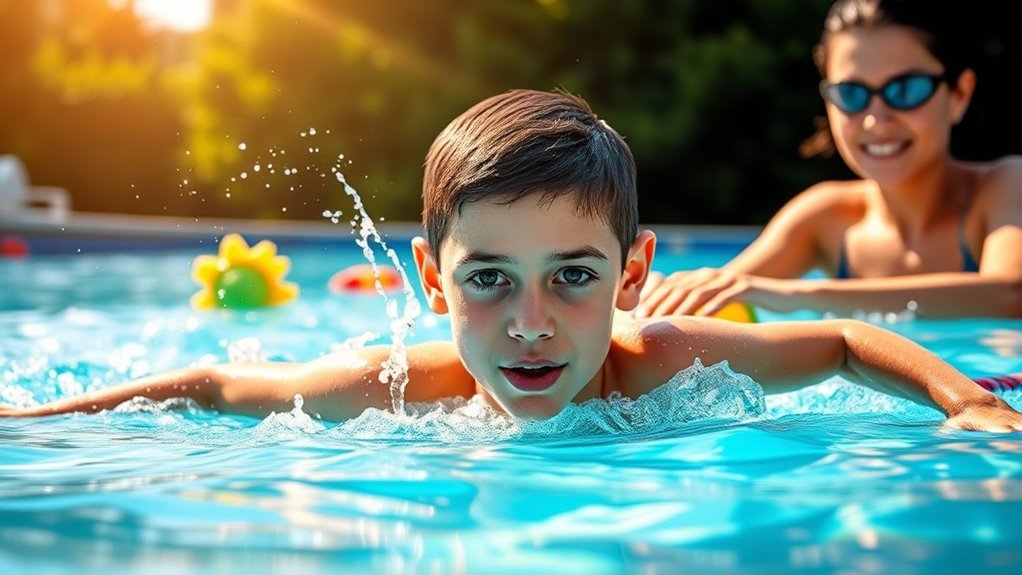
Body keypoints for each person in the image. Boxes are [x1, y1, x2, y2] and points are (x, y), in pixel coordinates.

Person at [1, 89, 1020, 432]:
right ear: (432, 279)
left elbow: (844, 339)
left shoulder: (658, 359)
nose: (529, 320)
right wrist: (29, 423)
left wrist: (968, 402)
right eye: (487, 278)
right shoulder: (396, 387)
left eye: (572, 275)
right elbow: (218, 382)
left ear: (630, 273)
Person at [635, 0, 1022, 320]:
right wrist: (650, 299)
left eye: (905, 89)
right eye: (852, 94)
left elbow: (1012, 294)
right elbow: (718, 291)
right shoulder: (825, 218)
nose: (876, 119)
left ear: (959, 93)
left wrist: (802, 295)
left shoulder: (1005, 185)